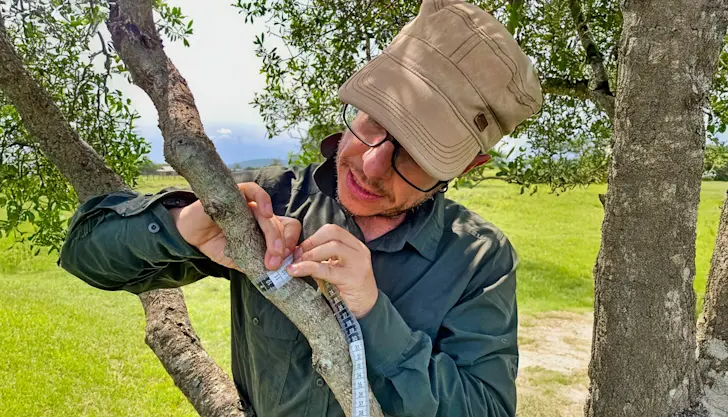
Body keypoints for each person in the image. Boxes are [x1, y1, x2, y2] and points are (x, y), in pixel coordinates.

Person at [59, 1, 542, 416]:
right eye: (374, 120)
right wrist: (185, 225)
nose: (371, 164)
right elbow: (85, 253)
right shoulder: (276, 200)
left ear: (469, 165)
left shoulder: (479, 259)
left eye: (415, 153)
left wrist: (374, 314)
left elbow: (486, 407)